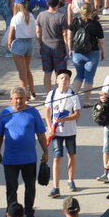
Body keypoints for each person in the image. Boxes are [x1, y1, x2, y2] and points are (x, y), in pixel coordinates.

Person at [0, 86, 49, 217]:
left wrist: (46, 151)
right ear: (11, 99)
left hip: (29, 158)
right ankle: (11, 214)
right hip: (10, 159)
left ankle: (29, 211)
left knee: (30, 186)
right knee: (11, 188)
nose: (19, 101)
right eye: (16, 99)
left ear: (26, 98)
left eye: (22, 98)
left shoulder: (33, 112)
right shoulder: (4, 113)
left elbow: (41, 134)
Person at [44, 69, 81, 197]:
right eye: (61, 78)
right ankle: (55, 186)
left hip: (70, 131)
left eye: (66, 78)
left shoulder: (73, 95)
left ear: (69, 81)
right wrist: (49, 127)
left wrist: (64, 118)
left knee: (71, 155)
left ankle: (71, 180)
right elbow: (47, 112)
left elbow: (77, 114)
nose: (63, 80)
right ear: (57, 80)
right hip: (56, 133)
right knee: (57, 158)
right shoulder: (52, 94)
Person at [35, 0, 70, 94]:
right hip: (58, 46)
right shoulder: (61, 17)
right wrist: (68, 47)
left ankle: (48, 94)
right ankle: (59, 93)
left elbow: (38, 32)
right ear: (58, 4)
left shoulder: (41, 15)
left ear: (48, 4)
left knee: (47, 73)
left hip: (45, 47)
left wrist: (41, 43)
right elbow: (65, 34)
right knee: (60, 73)